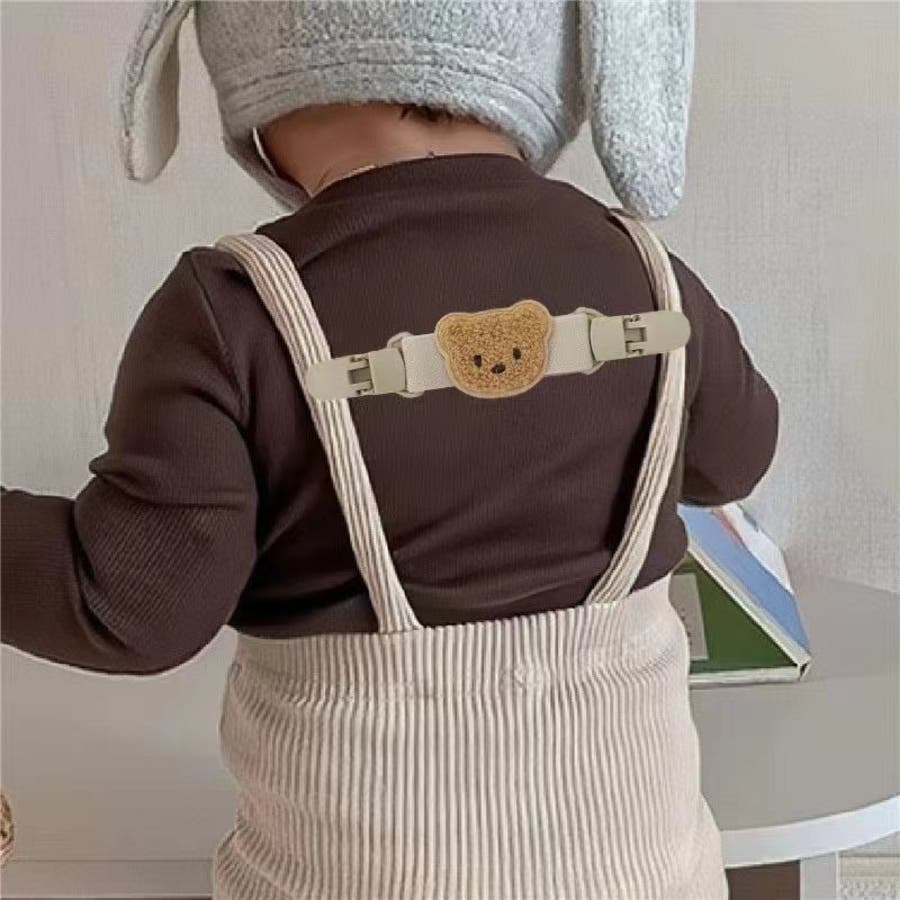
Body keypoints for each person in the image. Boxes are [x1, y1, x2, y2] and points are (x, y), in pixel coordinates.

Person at [2, 2, 777, 896]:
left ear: (256, 61)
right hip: (645, 872)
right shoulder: (646, 276)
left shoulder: (233, 314)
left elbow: (132, 605)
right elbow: (737, 457)